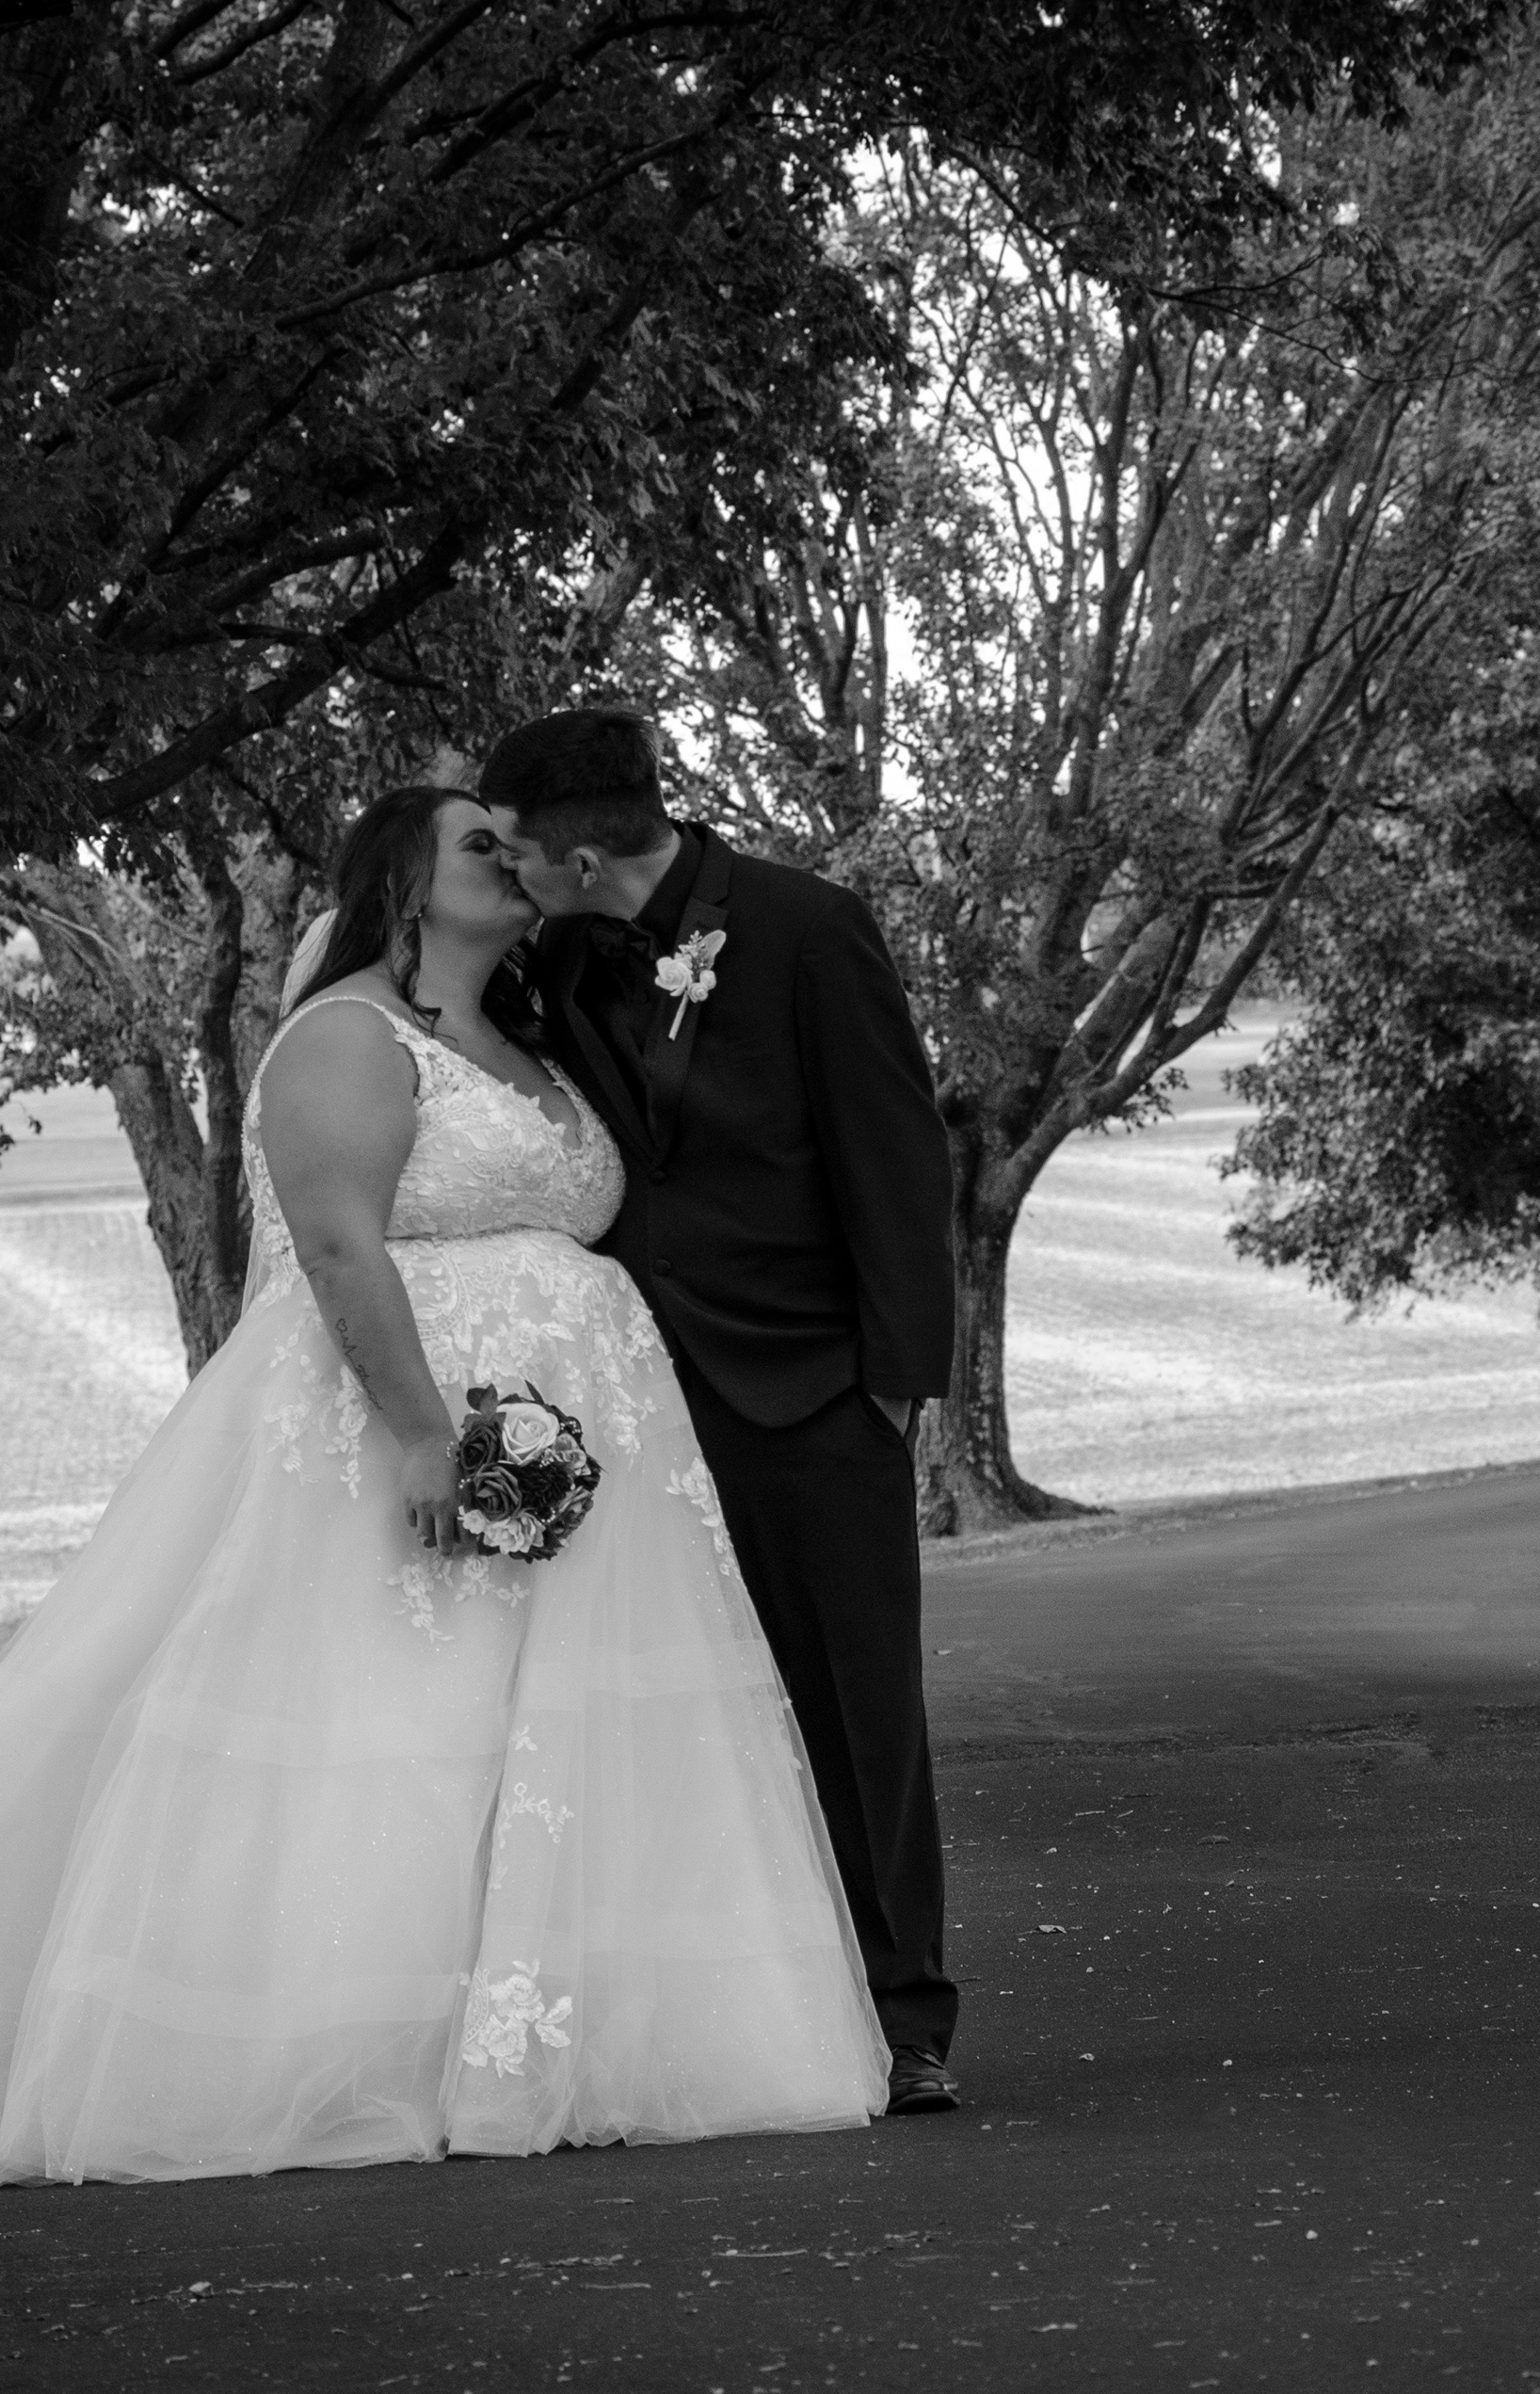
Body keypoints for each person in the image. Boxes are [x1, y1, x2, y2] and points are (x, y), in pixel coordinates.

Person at [0, 785, 884, 2197]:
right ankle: (347, 2051)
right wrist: (426, 1434)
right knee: (398, 1722)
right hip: (406, 1427)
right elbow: (337, 1242)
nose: (513, 858)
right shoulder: (347, 1036)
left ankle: (552, 2042)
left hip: (586, 1442)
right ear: (402, 884)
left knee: (544, 1736)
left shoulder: (531, 1039)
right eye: (479, 844)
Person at [482, 709, 964, 2117]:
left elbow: (896, 1155)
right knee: (666, 1706)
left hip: (813, 1391)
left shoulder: (809, 928)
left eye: (514, 849)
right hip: (630, 1391)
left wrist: (891, 1389)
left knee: (857, 1709)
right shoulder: (557, 956)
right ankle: (727, 2015)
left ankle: (905, 2018)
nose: (507, 872)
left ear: (580, 856)